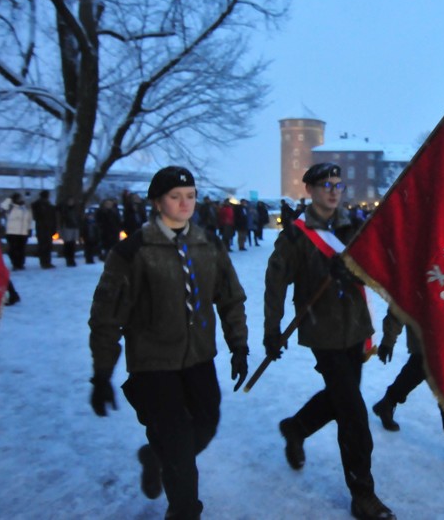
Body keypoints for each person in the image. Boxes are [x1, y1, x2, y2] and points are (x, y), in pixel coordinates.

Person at [89, 166, 249, 519]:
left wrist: (239, 345)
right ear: (157, 201)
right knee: (178, 443)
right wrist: (102, 373)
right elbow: (106, 316)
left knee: (206, 424)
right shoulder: (133, 251)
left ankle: (155, 455)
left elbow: (230, 298)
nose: (184, 203)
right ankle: (184, 511)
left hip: (199, 357)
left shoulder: (209, 244)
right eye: (175, 197)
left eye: (190, 196)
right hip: (153, 362)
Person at [263, 162, 395, 520]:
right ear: (310, 190)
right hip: (322, 331)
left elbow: (378, 263)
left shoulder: (353, 227)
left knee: (341, 398)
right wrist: (271, 331)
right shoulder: (295, 235)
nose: (334, 191)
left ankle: (296, 427)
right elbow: (275, 284)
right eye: (325, 185)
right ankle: (363, 495)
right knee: (353, 413)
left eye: (338, 184)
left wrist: (354, 267)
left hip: (355, 328)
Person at [372, 310, 444, 473]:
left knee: (419, 368)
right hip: (426, 330)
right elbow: (400, 298)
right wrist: (389, 338)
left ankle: (387, 403)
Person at [0, 192, 32, 271]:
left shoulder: (25, 208)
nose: (20, 199)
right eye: (18, 198)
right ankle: (15, 263)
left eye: (20, 198)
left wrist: (30, 229)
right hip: (12, 232)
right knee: (13, 249)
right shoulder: (10, 207)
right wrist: (9, 199)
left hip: (23, 232)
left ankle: (20, 264)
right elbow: (2, 206)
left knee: (21, 249)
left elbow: (29, 219)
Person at [31, 190, 57, 269]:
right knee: (44, 245)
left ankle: (46, 262)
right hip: (43, 227)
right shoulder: (39, 205)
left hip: (46, 227)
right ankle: (44, 262)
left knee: (47, 245)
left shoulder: (48, 205)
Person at [57, 196, 81, 267]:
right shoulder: (64, 209)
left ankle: (72, 258)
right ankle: (68, 259)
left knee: (73, 243)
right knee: (68, 244)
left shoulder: (75, 209)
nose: (71, 202)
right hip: (67, 227)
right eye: (70, 201)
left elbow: (78, 217)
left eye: (72, 201)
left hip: (74, 227)